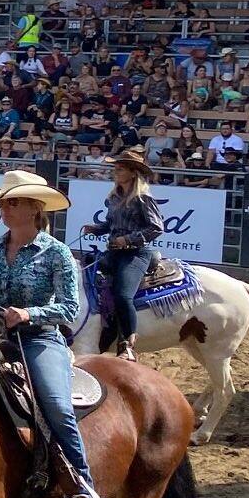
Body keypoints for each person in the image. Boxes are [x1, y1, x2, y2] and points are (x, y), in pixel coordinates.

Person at [0, 170, 104, 498]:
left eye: (13, 202)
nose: (4, 207)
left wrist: (28, 313)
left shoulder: (57, 253)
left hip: (38, 338)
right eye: (3, 202)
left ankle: (82, 484)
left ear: (35, 208)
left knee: (54, 402)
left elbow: (69, 309)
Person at [85, 147, 162, 360]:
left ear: (132, 172)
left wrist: (128, 239)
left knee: (122, 294)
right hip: (114, 252)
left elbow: (156, 227)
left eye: (120, 169)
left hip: (136, 253)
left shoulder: (143, 197)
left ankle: (128, 341)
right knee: (87, 278)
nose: (115, 172)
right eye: (115, 169)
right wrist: (96, 228)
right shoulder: (115, 198)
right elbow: (111, 224)